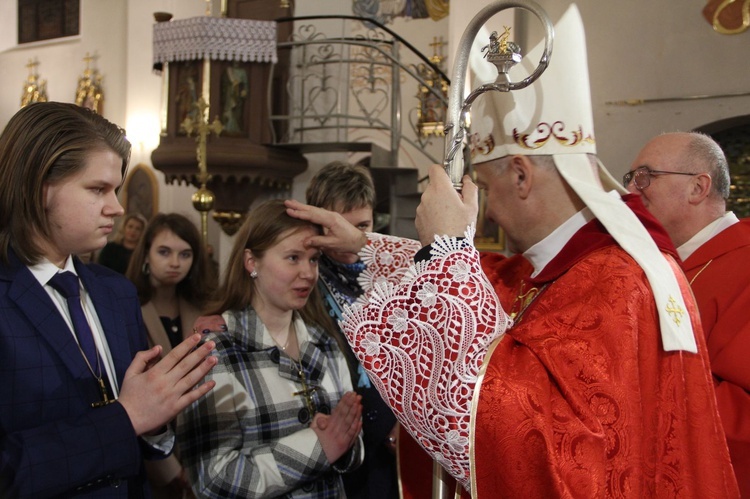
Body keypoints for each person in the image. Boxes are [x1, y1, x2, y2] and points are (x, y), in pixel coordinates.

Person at [285, 6, 739, 498]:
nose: (484, 209)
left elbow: (526, 439)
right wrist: (365, 244)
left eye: (483, 185)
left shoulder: (616, 283)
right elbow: (497, 280)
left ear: (521, 175)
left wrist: (449, 249)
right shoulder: (576, 264)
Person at [0, 101, 217, 497]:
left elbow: (140, 433)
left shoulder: (115, 291)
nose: (117, 208)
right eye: (98, 189)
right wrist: (127, 417)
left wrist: (155, 420)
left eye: (115, 189)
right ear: (40, 187)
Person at [177, 199, 364, 498]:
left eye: (314, 259)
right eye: (293, 257)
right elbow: (213, 480)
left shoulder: (324, 342)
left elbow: (350, 443)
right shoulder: (216, 351)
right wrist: (318, 446)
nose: (308, 272)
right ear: (252, 262)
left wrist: (344, 440)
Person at [626, 131, 750, 497]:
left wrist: (634, 388)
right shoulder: (665, 265)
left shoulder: (744, 262)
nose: (632, 191)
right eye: (630, 177)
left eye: (646, 176)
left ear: (698, 187)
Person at [306, 161, 422, 499]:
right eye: (336, 226)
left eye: (361, 226)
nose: (347, 240)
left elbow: (417, 353)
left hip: (396, 435)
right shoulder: (307, 278)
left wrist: (411, 422)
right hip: (337, 436)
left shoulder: (392, 270)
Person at [126, 213, 215, 498]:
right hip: (154, 457)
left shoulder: (202, 307)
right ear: (146, 254)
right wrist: (169, 470)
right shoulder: (128, 309)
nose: (175, 263)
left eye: (185, 254)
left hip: (202, 443)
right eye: (164, 252)